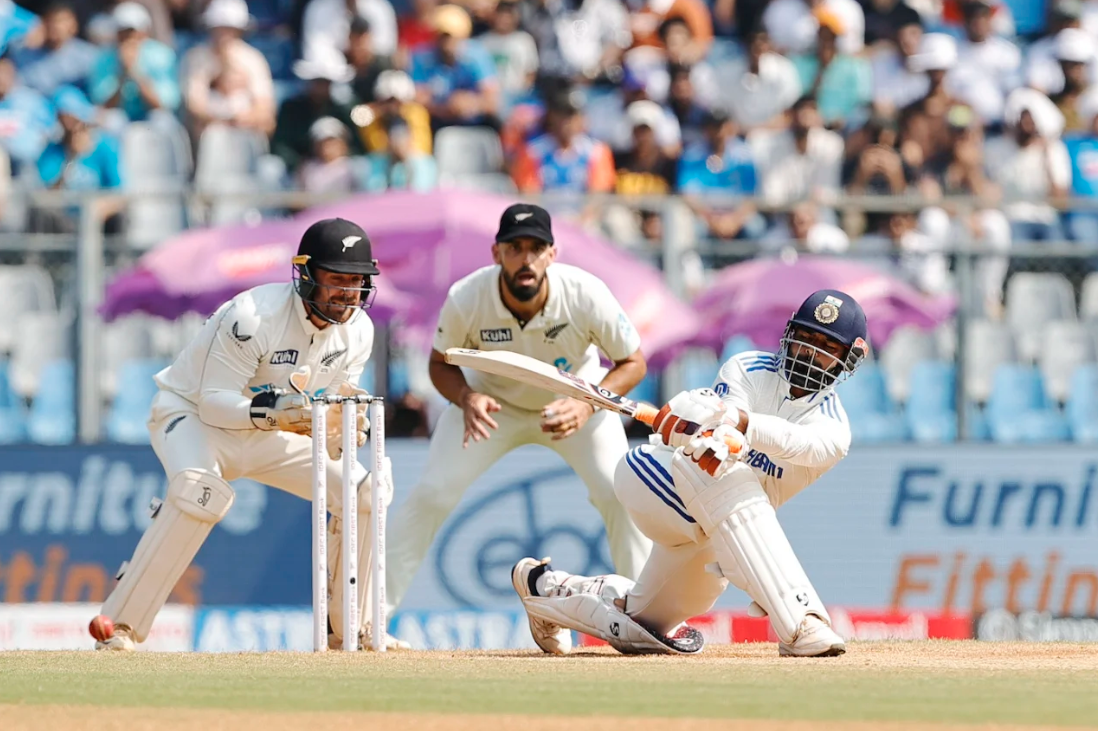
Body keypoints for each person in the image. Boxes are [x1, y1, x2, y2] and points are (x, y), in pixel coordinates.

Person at [91, 218, 406, 652]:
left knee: (366, 490)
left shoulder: (359, 331)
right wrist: (277, 412)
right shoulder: (253, 316)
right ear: (307, 275)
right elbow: (213, 402)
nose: (348, 293)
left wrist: (343, 426)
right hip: (194, 418)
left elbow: (333, 400)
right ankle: (120, 625)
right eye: (337, 280)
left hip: (273, 432)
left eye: (357, 282)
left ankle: (354, 627)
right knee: (200, 492)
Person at [511, 289, 869, 658]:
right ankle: (801, 622)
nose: (810, 352)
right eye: (805, 338)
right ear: (789, 335)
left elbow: (795, 442)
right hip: (656, 479)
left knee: (641, 626)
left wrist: (741, 428)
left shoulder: (834, 432)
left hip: (716, 535)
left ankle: (545, 589)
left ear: (848, 359)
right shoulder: (746, 366)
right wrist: (704, 421)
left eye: (827, 346)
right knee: (727, 474)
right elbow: (721, 415)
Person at [385, 203, 654, 612]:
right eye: (514, 248)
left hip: (576, 403)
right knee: (432, 494)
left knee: (621, 494)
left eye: (535, 248)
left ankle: (645, 616)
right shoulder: (467, 297)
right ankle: (371, 619)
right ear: (496, 254)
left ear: (552, 254)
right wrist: (466, 398)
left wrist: (586, 404)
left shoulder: (585, 294)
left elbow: (633, 362)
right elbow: (439, 365)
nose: (525, 259)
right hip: (493, 407)